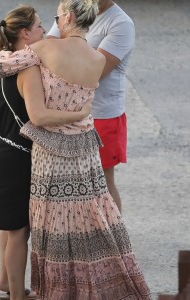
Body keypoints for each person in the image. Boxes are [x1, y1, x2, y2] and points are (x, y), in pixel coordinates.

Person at [0, 0, 151, 299]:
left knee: (51, 219)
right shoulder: (96, 59)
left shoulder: (43, 51)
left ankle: (56, 289)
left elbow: (1, 66)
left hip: (50, 149)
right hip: (86, 145)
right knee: (89, 211)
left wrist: (6, 50)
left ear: (66, 18)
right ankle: (96, 282)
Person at [0, 5, 92, 300]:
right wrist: (78, 114)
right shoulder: (28, 68)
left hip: (1, 149)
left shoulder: (8, 61)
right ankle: (18, 296)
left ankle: (6, 282)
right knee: (20, 230)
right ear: (25, 33)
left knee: (9, 226)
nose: (46, 31)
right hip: (19, 157)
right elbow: (40, 116)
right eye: (41, 27)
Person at [46, 0, 135, 212]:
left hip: (102, 116)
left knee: (102, 182)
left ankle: (115, 241)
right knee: (69, 180)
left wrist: (62, 57)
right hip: (68, 113)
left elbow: (94, 73)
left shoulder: (120, 24)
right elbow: (48, 47)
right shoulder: (73, 6)